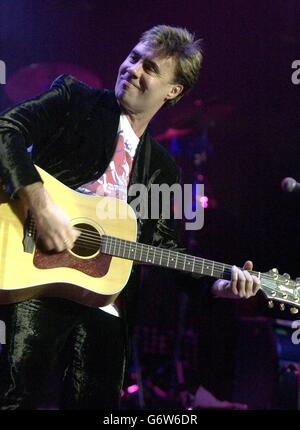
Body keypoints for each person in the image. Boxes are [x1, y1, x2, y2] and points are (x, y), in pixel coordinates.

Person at [0, 25, 261, 410]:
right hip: (35, 277)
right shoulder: (76, 99)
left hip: (107, 305)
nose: (133, 69)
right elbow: (7, 129)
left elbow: (165, 248)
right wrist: (40, 204)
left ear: (173, 91)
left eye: (150, 67)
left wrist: (215, 288)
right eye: (134, 56)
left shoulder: (164, 170)